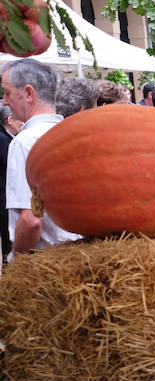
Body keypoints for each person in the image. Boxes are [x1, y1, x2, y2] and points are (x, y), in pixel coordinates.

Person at [3, 58, 79, 257]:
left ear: (28, 93)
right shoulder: (76, 135)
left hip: (45, 263)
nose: (3, 101)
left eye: (7, 92)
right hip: (82, 257)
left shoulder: (23, 143)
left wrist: (17, 260)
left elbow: (31, 220)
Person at [0, 105, 21, 257]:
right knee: (7, 236)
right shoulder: (3, 141)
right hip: (4, 196)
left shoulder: (9, 138)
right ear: (10, 120)